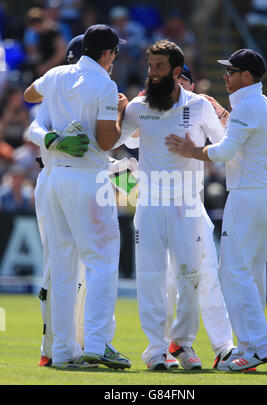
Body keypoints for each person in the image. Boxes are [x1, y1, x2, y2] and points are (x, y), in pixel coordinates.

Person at [166, 48, 267, 371]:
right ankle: (248, 346)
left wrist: (192, 150)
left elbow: (224, 152)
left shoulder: (247, 107)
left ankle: (260, 344)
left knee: (233, 272)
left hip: (248, 197)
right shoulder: (264, 103)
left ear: (247, 76)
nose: (226, 77)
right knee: (252, 272)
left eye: (231, 71)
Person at [23, 24, 131, 369]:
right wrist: (119, 113)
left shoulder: (56, 74)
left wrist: (58, 122)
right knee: (101, 261)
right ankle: (97, 343)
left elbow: (28, 94)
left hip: (52, 179)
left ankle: (61, 351)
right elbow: (104, 142)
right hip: (87, 178)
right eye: (114, 53)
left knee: (62, 268)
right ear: (108, 53)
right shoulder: (105, 84)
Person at [120, 40, 233, 371]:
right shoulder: (138, 108)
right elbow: (120, 141)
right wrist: (118, 110)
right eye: (150, 66)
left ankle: (181, 343)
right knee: (152, 277)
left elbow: (224, 144)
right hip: (151, 204)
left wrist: (195, 150)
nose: (151, 73)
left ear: (175, 70)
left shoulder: (198, 106)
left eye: (158, 67)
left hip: (188, 205)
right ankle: (156, 350)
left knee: (190, 278)